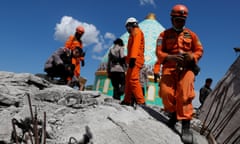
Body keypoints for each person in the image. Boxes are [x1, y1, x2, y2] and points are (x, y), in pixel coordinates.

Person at [155, 4, 203, 143]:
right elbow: (159, 52)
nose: (179, 22)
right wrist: (169, 57)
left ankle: (186, 126)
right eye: (177, 20)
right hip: (169, 68)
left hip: (187, 69)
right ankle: (174, 114)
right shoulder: (163, 35)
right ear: (172, 19)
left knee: (185, 93)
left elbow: (199, 50)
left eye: (182, 20)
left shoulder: (192, 35)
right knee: (165, 93)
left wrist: (192, 57)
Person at [120, 17, 145, 106]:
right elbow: (131, 50)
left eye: (127, 27)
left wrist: (133, 58)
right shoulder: (132, 35)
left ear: (131, 25)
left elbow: (136, 46)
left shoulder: (136, 31)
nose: (127, 29)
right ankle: (127, 100)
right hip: (132, 59)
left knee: (133, 79)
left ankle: (141, 101)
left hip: (136, 60)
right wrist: (126, 58)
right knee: (128, 79)